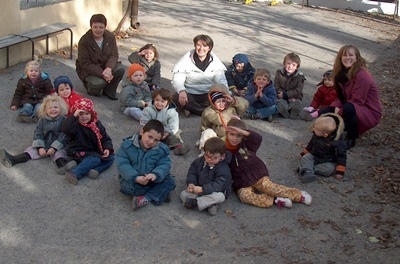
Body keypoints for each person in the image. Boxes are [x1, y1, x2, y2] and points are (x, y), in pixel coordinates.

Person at [225, 118, 312, 208]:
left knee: (270, 188)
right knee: (245, 196)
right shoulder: (223, 149)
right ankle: (276, 200)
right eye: (232, 134)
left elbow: (258, 138)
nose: (235, 138)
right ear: (226, 133)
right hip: (241, 181)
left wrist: (243, 131)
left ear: (243, 136)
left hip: (256, 173)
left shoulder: (247, 144)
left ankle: (299, 195)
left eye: (239, 135)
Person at [319, 45, 382, 149]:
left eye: (351, 55)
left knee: (347, 108)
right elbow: (340, 96)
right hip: (351, 105)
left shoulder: (362, 75)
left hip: (368, 112)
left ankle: (351, 138)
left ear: (357, 57)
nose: (347, 58)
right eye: (344, 55)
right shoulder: (340, 73)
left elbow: (357, 101)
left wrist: (338, 114)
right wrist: (335, 108)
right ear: (340, 57)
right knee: (325, 111)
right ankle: (335, 131)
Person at [1, 95, 75, 174]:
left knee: (60, 154)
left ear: (61, 109)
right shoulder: (43, 119)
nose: (53, 110)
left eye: (56, 107)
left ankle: (63, 167)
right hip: (45, 143)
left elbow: (64, 135)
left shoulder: (64, 120)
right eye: (50, 108)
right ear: (45, 110)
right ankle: (13, 160)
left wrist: (54, 148)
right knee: (31, 151)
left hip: (58, 145)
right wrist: (40, 147)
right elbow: (38, 132)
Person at [116, 119, 176, 211]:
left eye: (156, 140)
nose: (151, 142)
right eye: (149, 137)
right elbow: (122, 164)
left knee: (170, 181)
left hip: (152, 178)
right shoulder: (127, 146)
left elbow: (165, 164)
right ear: (142, 132)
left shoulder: (161, 150)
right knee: (127, 188)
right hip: (133, 179)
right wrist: (136, 178)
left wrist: (155, 175)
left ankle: (146, 198)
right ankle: (158, 194)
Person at [171, 34, 228, 117]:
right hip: (190, 93)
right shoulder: (184, 62)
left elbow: (221, 81)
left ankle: (192, 109)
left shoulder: (216, 63)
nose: (201, 49)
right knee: (176, 97)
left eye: (205, 46)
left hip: (207, 94)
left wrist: (226, 94)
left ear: (210, 48)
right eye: (198, 45)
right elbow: (177, 80)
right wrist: (181, 91)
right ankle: (208, 111)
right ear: (195, 46)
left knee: (224, 99)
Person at [62, 98, 114, 185]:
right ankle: (75, 173)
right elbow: (65, 129)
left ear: (92, 114)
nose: (84, 116)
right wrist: (74, 116)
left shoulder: (96, 124)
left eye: (87, 113)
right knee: (96, 160)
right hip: (78, 151)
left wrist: (107, 148)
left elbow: (105, 137)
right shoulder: (75, 126)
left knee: (111, 157)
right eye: (80, 114)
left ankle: (94, 170)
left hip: (93, 151)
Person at [76, 14, 125, 100]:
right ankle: (90, 88)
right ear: (91, 27)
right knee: (99, 83)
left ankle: (109, 90)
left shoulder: (110, 37)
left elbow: (113, 54)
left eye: (101, 27)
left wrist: (109, 68)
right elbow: (85, 64)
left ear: (105, 27)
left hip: (105, 66)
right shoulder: (84, 41)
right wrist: (103, 73)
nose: (98, 30)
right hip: (88, 70)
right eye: (95, 27)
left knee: (120, 69)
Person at [180, 137, 232, 216]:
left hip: (215, 192)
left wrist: (202, 189)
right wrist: (191, 183)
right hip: (199, 189)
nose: (209, 159)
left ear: (222, 156)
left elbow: (218, 185)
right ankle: (209, 205)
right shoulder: (199, 161)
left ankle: (196, 203)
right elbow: (192, 173)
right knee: (183, 194)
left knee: (220, 197)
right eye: (207, 155)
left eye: (213, 157)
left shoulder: (223, 169)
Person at [198, 83, 248, 153]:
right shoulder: (208, 111)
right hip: (219, 138)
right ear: (212, 102)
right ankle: (206, 151)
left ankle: (241, 151)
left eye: (223, 101)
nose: (221, 103)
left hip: (233, 136)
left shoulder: (232, 107)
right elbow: (204, 126)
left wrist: (233, 101)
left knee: (243, 137)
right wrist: (202, 137)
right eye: (218, 101)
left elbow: (245, 104)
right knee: (207, 132)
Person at [298, 113, 347, 183]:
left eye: (316, 129)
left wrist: (340, 171)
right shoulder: (316, 135)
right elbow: (311, 144)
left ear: (325, 134)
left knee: (328, 170)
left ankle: (306, 169)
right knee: (306, 157)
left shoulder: (338, 142)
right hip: (315, 155)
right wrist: (304, 153)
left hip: (328, 160)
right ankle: (307, 170)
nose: (314, 129)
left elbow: (341, 156)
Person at [140, 88, 190, 156]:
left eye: (162, 101)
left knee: (174, 137)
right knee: (142, 135)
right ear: (153, 99)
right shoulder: (148, 110)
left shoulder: (172, 112)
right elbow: (144, 122)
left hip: (166, 132)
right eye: (157, 100)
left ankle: (178, 147)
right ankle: (143, 147)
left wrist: (166, 133)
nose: (159, 103)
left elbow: (173, 126)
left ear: (168, 102)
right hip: (152, 131)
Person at [10, 57, 53, 123]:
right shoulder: (23, 81)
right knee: (27, 107)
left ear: (40, 72)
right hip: (27, 99)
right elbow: (18, 93)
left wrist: (48, 102)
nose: (34, 73)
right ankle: (22, 116)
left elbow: (49, 92)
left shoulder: (45, 80)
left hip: (40, 99)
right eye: (31, 71)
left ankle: (37, 117)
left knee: (38, 108)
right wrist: (15, 104)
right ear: (27, 72)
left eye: (36, 71)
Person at [274, 52, 306, 119]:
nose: (290, 66)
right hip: (281, 96)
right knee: (280, 102)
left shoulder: (300, 77)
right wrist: (281, 94)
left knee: (296, 103)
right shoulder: (279, 73)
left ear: (297, 67)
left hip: (294, 97)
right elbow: (276, 85)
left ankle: (294, 111)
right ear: (284, 64)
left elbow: (298, 90)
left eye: (293, 65)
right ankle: (284, 111)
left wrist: (287, 95)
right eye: (288, 63)